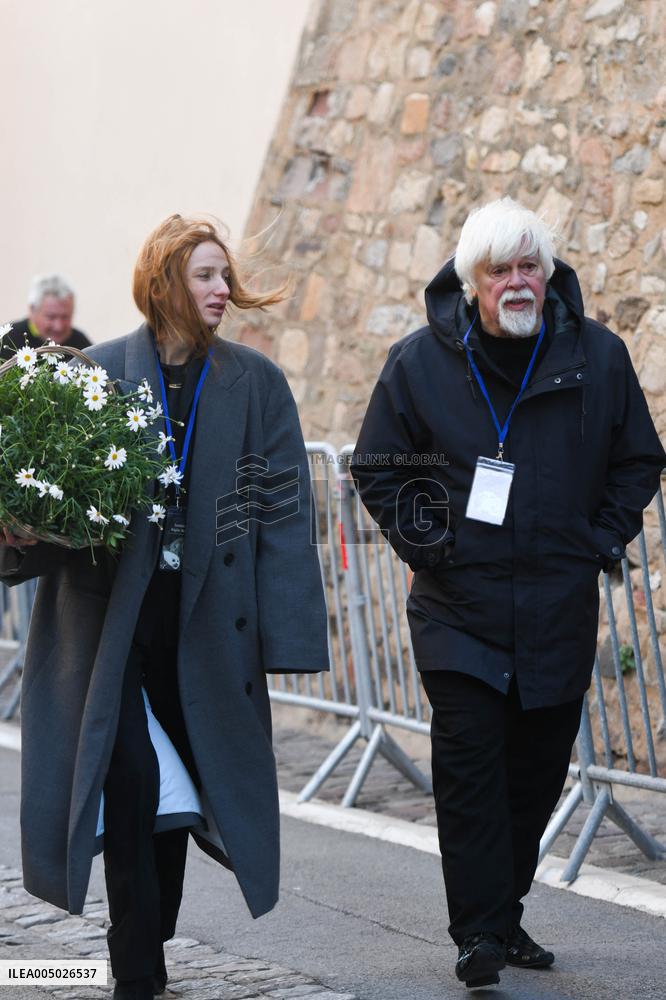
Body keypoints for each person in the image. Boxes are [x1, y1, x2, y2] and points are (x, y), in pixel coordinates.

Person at [0, 215, 329, 1000]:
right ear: (165, 283)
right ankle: (137, 970)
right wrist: (16, 529)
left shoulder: (256, 383)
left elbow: (282, 516)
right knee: (133, 785)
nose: (222, 291)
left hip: (207, 635)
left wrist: (286, 636)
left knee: (175, 810)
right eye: (206, 276)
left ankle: (148, 936)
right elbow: (53, 506)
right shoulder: (96, 370)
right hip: (111, 634)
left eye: (224, 277)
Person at [351, 198, 664, 989]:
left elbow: (638, 460)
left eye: (531, 266)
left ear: (549, 274)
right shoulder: (419, 362)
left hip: (558, 607)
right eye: (501, 270)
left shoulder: (599, 355)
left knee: (534, 775)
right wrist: (433, 544)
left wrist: (595, 541)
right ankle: (478, 933)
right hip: (459, 607)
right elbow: (379, 465)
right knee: (470, 773)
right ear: (472, 282)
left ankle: (506, 912)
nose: (518, 282)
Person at [1, 273, 91, 360]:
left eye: (65, 317)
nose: (58, 327)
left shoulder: (82, 345)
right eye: (51, 317)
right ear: (32, 310)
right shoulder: (7, 340)